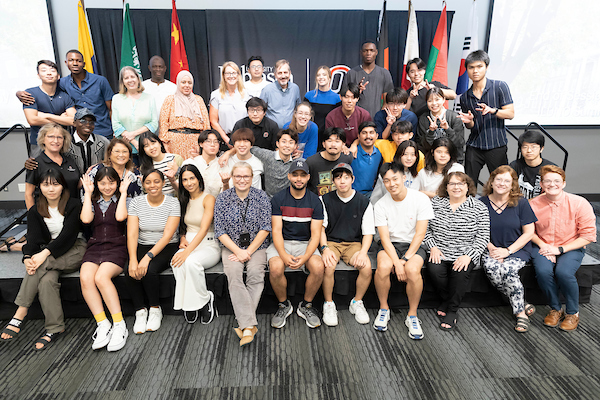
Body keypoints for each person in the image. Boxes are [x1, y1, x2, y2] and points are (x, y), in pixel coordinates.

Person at [0, 169, 86, 350]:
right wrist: (26, 258)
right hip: (50, 255)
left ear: (63, 186)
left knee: (40, 265)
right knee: (46, 281)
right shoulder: (35, 210)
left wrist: (42, 254)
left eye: (55, 184)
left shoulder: (74, 205)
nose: (51, 189)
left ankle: (20, 312)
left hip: (74, 248)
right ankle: (55, 328)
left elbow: (67, 236)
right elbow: (33, 239)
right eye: (46, 184)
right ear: (39, 186)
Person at [530, 165, 596, 331]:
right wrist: (544, 245)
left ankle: (573, 312)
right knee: (544, 272)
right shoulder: (533, 204)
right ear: (542, 185)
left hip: (571, 246)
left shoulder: (580, 203)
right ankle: (555, 308)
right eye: (548, 181)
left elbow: (588, 236)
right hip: (543, 245)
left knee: (564, 272)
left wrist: (559, 249)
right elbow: (528, 231)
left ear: (564, 183)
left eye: (557, 181)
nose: (552, 184)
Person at [373, 163, 434, 339]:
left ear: (403, 178)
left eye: (395, 179)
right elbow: (384, 238)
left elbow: (420, 233)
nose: (391, 184)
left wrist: (404, 261)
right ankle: (384, 308)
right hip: (390, 244)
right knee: (383, 267)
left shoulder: (420, 199)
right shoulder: (381, 204)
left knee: (412, 270)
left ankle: (412, 315)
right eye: (387, 181)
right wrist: (396, 263)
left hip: (413, 245)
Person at [214, 162, 272, 345]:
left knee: (256, 274)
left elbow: (265, 228)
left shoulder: (262, 197)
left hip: (257, 245)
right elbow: (220, 231)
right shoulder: (222, 198)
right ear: (232, 177)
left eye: (246, 176)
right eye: (238, 176)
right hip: (231, 247)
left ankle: (246, 325)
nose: (242, 180)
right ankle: (249, 325)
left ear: (252, 177)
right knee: (234, 275)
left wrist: (247, 251)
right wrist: (238, 251)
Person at [424, 172, 490, 330]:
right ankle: (447, 299)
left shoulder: (479, 207)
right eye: (452, 184)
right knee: (434, 271)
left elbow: (483, 236)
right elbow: (424, 230)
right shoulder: (435, 203)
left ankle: (452, 310)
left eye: (460, 184)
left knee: (460, 274)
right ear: (446, 187)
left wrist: (469, 256)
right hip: (439, 250)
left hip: (465, 253)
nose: (456, 187)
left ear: (468, 187)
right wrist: (432, 247)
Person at [480, 166, 538, 333]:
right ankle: (522, 302)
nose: (502, 183)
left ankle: (520, 313)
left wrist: (508, 251)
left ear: (513, 184)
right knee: (492, 269)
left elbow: (529, 233)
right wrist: (492, 249)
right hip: (490, 248)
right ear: (491, 181)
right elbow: (478, 231)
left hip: (517, 249)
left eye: (507, 180)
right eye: (498, 179)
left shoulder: (522, 203)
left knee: (507, 271)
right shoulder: (481, 203)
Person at [80, 168, 132, 351]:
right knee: (86, 278)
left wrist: (124, 193)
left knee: (101, 277)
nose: (107, 187)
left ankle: (119, 324)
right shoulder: (91, 200)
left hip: (117, 247)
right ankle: (103, 323)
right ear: (96, 184)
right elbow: (86, 219)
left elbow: (120, 217)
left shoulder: (125, 199)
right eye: (102, 183)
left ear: (117, 183)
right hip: (95, 247)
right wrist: (87, 193)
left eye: (111, 182)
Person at [268, 160, 325, 329]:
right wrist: (284, 255)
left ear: (308, 177)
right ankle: (283, 305)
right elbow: (276, 231)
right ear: (289, 176)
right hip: (282, 243)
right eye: (295, 175)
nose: (298, 179)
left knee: (318, 266)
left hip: (305, 243)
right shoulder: (278, 199)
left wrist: (306, 257)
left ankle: (306, 305)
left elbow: (315, 235)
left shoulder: (315, 201)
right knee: (276, 267)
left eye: (302, 175)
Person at [126, 169, 181, 334]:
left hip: (166, 245)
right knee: (131, 269)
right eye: (148, 182)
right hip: (143, 243)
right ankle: (140, 311)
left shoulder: (173, 203)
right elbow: (132, 233)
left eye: (156, 181)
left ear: (163, 183)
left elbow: (167, 236)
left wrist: (148, 257)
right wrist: (134, 258)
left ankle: (155, 309)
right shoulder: (136, 202)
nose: (153, 185)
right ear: (143, 184)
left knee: (149, 270)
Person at [319, 163, 374, 326]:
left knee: (366, 267)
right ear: (333, 181)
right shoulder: (324, 199)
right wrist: (324, 248)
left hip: (353, 243)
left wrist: (363, 252)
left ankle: (357, 302)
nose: (342, 181)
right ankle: (329, 304)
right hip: (332, 242)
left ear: (352, 179)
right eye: (337, 177)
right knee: (328, 265)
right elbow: (320, 228)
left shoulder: (364, 202)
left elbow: (368, 232)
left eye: (346, 177)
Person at [17, 50, 114, 138]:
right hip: (80, 134)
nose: (75, 63)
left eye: (78, 61)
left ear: (84, 64)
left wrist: (115, 130)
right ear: (66, 63)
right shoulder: (62, 83)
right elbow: (47, 88)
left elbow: (111, 108)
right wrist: (18, 93)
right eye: (71, 60)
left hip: (103, 131)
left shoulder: (100, 81)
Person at [171, 165, 221, 324]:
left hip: (208, 244)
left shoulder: (208, 198)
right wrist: (183, 237)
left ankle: (206, 299)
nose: (188, 182)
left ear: (199, 179)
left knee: (190, 262)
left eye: (192, 178)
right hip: (189, 243)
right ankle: (190, 303)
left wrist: (187, 252)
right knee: (176, 263)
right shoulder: (183, 199)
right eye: (184, 179)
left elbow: (204, 228)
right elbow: (184, 225)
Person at [458, 50, 515, 187]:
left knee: (501, 183)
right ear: (467, 70)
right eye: (471, 67)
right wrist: (470, 121)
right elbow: (470, 126)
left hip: (496, 144)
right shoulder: (465, 97)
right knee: (469, 184)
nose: (475, 71)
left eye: (479, 66)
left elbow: (510, 114)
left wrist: (493, 111)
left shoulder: (500, 86)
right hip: (474, 145)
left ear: (486, 67)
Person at [23, 109, 110, 188]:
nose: (87, 124)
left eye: (91, 122)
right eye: (83, 121)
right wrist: (30, 162)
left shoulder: (103, 141)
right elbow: (42, 155)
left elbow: (110, 159)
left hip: (98, 186)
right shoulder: (64, 141)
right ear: (74, 123)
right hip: (71, 185)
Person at [22, 60, 76, 151]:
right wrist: (61, 120)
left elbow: (74, 120)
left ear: (58, 76)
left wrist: (46, 115)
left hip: (62, 143)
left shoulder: (65, 96)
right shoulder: (30, 94)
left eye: (52, 70)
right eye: (44, 70)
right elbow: (32, 120)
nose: (49, 73)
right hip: (39, 143)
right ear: (38, 75)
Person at [25, 123, 81, 210]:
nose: (55, 141)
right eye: (51, 137)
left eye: (59, 137)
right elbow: (29, 194)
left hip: (72, 212)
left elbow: (76, 184)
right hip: (47, 214)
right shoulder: (35, 163)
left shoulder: (70, 160)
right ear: (43, 139)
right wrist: (33, 218)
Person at [158, 70, 211, 159]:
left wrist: (204, 145)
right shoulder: (170, 100)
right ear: (178, 83)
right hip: (174, 144)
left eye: (189, 83)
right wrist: (165, 145)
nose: (187, 85)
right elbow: (163, 124)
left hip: (195, 145)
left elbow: (206, 125)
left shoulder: (198, 100)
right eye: (183, 82)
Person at [112, 66, 158, 159]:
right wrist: (134, 142)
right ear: (123, 82)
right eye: (126, 78)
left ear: (138, 78)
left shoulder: (149, 98)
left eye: (132, 77)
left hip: (146, 148)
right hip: (124, 149)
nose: (130, 80)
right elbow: (116, 125)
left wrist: (133, 134)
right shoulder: (116, 98)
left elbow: (154, 124)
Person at [341, 41, 394, 118]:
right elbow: (344, 98)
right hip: (355, 118)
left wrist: (379, 117)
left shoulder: (384, 73)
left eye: (371, 50)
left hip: (377, 119)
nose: (368, 53)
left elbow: (388, 100)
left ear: (376, 52)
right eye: (365, 50)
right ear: (361, 53)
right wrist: (357, 90)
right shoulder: (351, 73)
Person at [418, 87, 466, 163]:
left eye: (437, 99)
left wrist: (448, 129)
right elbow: (423, 146)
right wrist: (431, 132)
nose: (434, 103)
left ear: (444, 99)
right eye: (430, 100)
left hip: (453, 161)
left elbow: (459, 143)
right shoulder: (423, 119)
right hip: (431, 162)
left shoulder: (454, 117)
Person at [88, 138, 142, 203]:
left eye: (125, 151)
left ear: (129, 155)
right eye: (117, 151)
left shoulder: (134, 174)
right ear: (109, 153)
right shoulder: (97, 170)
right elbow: (86, 192)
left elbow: (140, 197)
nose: (121, 155)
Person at [209, 61, 250, 147]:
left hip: (244, 139)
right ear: (223, 76)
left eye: (234, 73)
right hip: (224, 139)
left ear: (238, 75)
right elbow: (213, 121)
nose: (231, 76)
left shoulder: (247, 94)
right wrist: (227, 140)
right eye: (228, 73)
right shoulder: (216, 95)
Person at [371, 140, 422, 205]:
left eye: (413, 155)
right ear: (399, 155)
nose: (409, 158)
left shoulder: (415, 175)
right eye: (405, 154)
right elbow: (375, 198)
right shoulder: (388, 171)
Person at [509, 129, 557, 199]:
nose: (529, 150)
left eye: (533, 147)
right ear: (520, 149)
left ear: (541, 149)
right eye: (525, 147)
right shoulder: (514, 166)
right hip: (519, 206)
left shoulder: (551, 168)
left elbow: (554, 193)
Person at [182, 130, 230, 197]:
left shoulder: (224, 165)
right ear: (201, 144)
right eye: (208, 141)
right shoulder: (190, 163)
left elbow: (226, 195)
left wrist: (225, 183)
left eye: (216, 142)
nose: (212, 145)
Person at [306, 127, 353, 195]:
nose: (333, 145)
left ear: (343, 144)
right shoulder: (311, 162)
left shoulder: (347, 158)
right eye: (329, 141)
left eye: (337, 141)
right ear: (324, 144)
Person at [303, 66, 342, 145]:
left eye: (324, 75)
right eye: (318, 75)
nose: (321, 77)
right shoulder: (309, 96)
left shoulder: (337, 98)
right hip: (311, 136)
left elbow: (338, 121)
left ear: (329, 78)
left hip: (328, 138)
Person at [138, 132, 183, 196]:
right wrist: (144, 184)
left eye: (153, 143)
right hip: (155, 200)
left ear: (160, 143)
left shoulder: (176, 159)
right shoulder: (144, 167)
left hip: (175, 199)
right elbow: (146, 192)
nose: (151, 147)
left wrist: (178, 170)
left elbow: (185, 186)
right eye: (146, 146)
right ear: (143, 150)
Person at [260, 59, 301, 128]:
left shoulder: (295, 88)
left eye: (285, 72)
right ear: (275, 75)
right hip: (272, 131)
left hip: (291, 130)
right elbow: (260, 110)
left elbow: (298, 109)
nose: (283, 76)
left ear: (290, 73)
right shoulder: (267, 90)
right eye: (279, 73)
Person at [350, 121, 383, 198]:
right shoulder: (352, 153)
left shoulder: (379, 153)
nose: (368, 136)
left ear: (377, 136)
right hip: (353, 195)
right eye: (364, 133)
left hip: (372, 194)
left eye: (371, 133)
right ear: (358, 136)